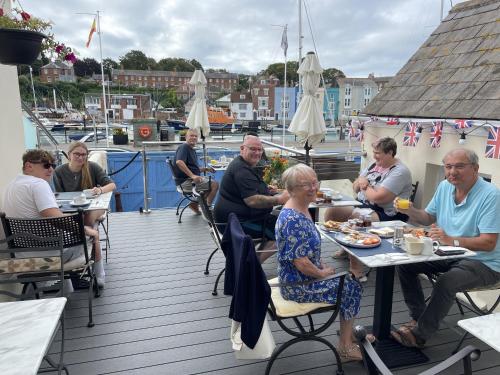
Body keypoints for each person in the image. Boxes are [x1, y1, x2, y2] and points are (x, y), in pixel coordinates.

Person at [391, 148, 500, 349]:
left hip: (485, 262)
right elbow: (428, 218)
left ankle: (420, 335)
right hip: (449, 252)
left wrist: (452, 240)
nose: (452, 172)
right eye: (448, 167)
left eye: (459, 166)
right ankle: (419, 317)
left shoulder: (491, 195)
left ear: (475, 168)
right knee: (405, 265)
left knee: (446, 281)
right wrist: (410, 211)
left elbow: (488, 242)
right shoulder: (444, 187)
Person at [276, 164, 365, 361]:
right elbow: (301, 264)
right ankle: (346, 346)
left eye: (314, 182)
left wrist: (321, 264)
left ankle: (348, 336)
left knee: (350, 282)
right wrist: (322, 273)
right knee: (351, 286)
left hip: (300, 277)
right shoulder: (293, 219)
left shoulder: (301, 209)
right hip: (298, 285)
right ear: (291, 190)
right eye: (304, 185)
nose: (312, 187)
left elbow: (306, 253)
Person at [2, 149, 106, 286]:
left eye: (52, 165)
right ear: (29, 166)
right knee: (93, 232)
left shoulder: (11, 185)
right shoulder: (38, 184)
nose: (50, 169)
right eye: (45, 165)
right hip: (51, 255)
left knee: (69, 234)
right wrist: (86, 230)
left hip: (22, 255)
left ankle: (67, 289)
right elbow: (57, 220)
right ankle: (99, 279)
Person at [325, 137, 413, 280]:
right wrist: (362, 185)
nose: (374, 156)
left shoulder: (399, 172)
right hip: (364, 206)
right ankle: (347, 248)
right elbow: (354, 187)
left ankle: (356, 269)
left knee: (357, 220)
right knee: (332, 211)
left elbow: (379, 198)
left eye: (378, 153)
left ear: (390, 152)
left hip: (387, 214)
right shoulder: (374, 165)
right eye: (374, 152)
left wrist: (364, 185)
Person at [214, 134, 289, 258]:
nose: (257, 153)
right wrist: (280, 199)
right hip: (236, 224)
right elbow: (252, 201)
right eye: (253, 149)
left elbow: (247, 190)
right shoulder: (241, 170)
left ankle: (250, 260)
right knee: (285, 232)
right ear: (242, 149)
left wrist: (266, 190)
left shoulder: (242, 164)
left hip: (233, 219)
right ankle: (250, 268)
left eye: (260, 150)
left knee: (282, 221)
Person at [53, 141, 116, 228]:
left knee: (87, 218)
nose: (80, 157)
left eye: (83, 154)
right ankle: (90, 238)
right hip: (70, 207)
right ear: (69, 155)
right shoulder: (59, 171)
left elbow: (112, 185)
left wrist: (99, 190)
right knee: (68, 219)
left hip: (92, 206)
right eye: (77, 154)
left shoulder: (92, 167)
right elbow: (59, 195)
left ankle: (89, 239)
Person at [174, 129, 219, 213]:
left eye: (195, 136)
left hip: (188, 180)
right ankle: (207, 209)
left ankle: (194, 204)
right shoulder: (184, 147)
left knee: (209, 184)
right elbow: (179, 162)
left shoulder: (191, 149)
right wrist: (193, 176)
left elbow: (193, 168)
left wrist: (206, 169)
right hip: (185, 182)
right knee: (215, 185)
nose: (194, 137)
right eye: (191, 135)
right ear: (186, 137)